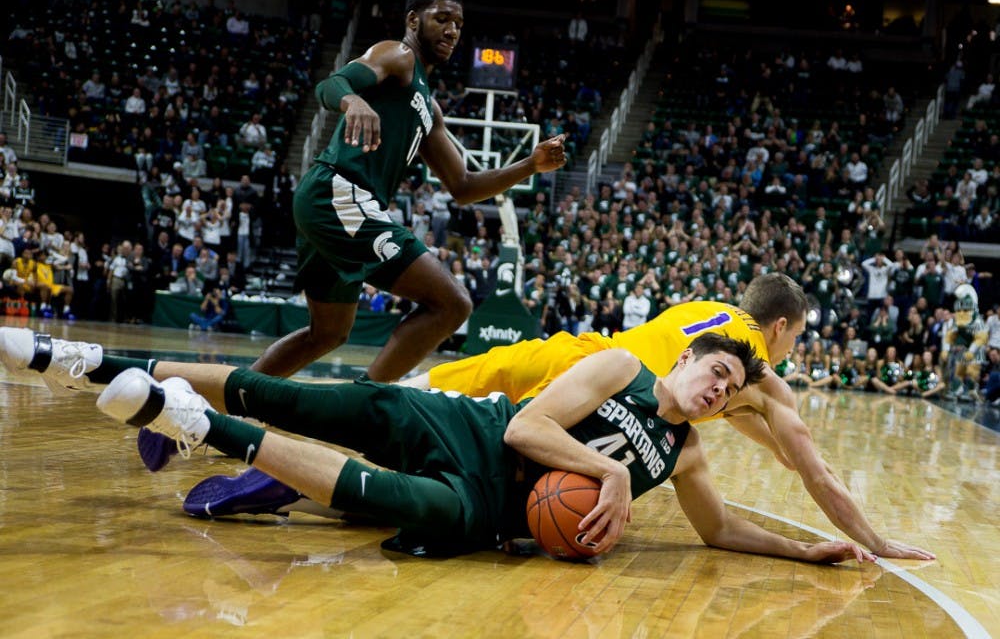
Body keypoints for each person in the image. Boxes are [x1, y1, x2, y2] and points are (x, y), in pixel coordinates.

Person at [0, 275, 935, 561]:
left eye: (735, 387)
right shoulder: (753, 363)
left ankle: (195, 417)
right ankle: (100, 367)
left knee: (391, 444)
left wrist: (805, 549)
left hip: (542, 366)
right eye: (726, 377)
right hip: (544, 399)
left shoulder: (696, 352)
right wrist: (877, 538)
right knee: (342, 403)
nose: (729, 389)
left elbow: (723, 518)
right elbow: (808, 459)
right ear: (772, 336)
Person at [255, 0, 565, 382]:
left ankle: (222, 406)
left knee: (328, 334)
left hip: (336, 203)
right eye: (442, 19)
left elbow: (463, 186)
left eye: (459, 24)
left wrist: (530, 165)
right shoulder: (398, 54)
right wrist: (352, 100)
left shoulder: (428, 108)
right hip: (337, 192)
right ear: (414, 20)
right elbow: (332, 84)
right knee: (452, 304)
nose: (452, 30)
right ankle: (365, 407)